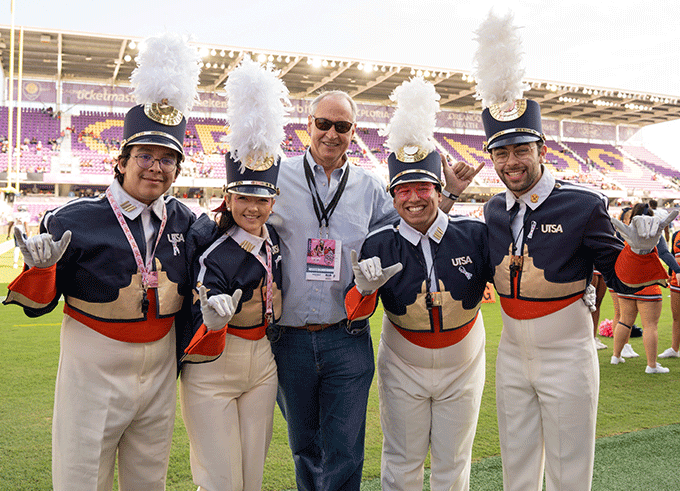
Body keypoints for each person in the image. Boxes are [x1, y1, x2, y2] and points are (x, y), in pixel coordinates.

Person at [474, 12, 674, 490]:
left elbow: (622, 277)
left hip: (566, 350)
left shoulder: (583, 204)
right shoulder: (494, 211)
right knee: (516, 468)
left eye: (520, 149)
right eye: (500, 153)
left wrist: (643, 252)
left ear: (541, 147)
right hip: (510, 352)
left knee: (569, 470)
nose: (511, 161)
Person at [3, 33, 200, 491]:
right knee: (80, 476)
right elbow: (37, 306)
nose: (156, 167)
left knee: (148, 479)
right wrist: (43, 269)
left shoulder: (186, 220)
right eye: (145, 155)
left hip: (159, 368)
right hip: (93, 367)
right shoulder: (74, 220)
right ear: (121, 160)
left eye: (168, 159)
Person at [267, 89, 472, 491]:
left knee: (345, 449)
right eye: (323, 124)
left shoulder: (370, 188)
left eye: (341, 127)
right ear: (308, 125)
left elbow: (413, 229)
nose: (331, 134)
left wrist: (448, 197)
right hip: (288, 338)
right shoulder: (278, 176)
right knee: (304, 447)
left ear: (353, 132)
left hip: (346, 337)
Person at [343, 76, 488, 491]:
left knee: (453, 461)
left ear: (438, 190)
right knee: (401, 460)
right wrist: (363, 291)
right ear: (391, 196)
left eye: (422, 187)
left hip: (464, 360)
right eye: (402, 189)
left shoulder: (473, 235)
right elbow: (355, 312)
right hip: (403, 360)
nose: (413, 198)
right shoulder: (378, 243)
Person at [178, 56, 288, 491]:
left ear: (274, 201)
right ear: (228, 196)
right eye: (243, 197)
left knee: (252, 477)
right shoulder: (213, 249)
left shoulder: (274, 239)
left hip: (262, 362)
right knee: (220, 479)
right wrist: (213, 315)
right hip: (213, 364)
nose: (253, 208)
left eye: (262, 200)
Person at [611, 203, 680, 372]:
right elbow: (664, 253)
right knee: (650, 325)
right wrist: (677, 270)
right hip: (648, 282)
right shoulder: (655, 230)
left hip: (627, 282)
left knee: (624, 320)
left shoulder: (626, 230)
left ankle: (616, 356)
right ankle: (651, 365)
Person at [661, 224, 680, 358]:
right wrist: (668, 274)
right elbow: (671, 256)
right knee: (676, 316)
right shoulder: (676, 234)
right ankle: (674, 348)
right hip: (676, 281)